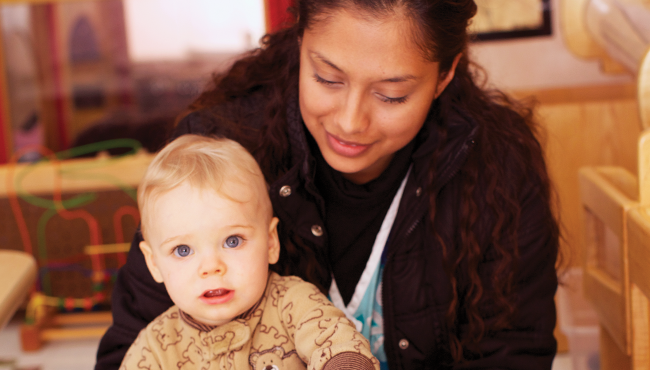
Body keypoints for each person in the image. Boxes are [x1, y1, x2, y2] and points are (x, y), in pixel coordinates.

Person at [96, 1, 560, 369]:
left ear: (444, 75)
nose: (350, 121)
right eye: (327, 78)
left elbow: (514, 351)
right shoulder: (219, 155)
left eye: (391, 95)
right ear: (300, 41)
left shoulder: (497, 165)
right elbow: (132, 346)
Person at [120, 134, 378, 370]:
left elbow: (339, 346)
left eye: (232, 241)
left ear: (270, 243)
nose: (211, 266)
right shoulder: (155, 347)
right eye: (183, 250)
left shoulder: (294, 305)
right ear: (154, 263)